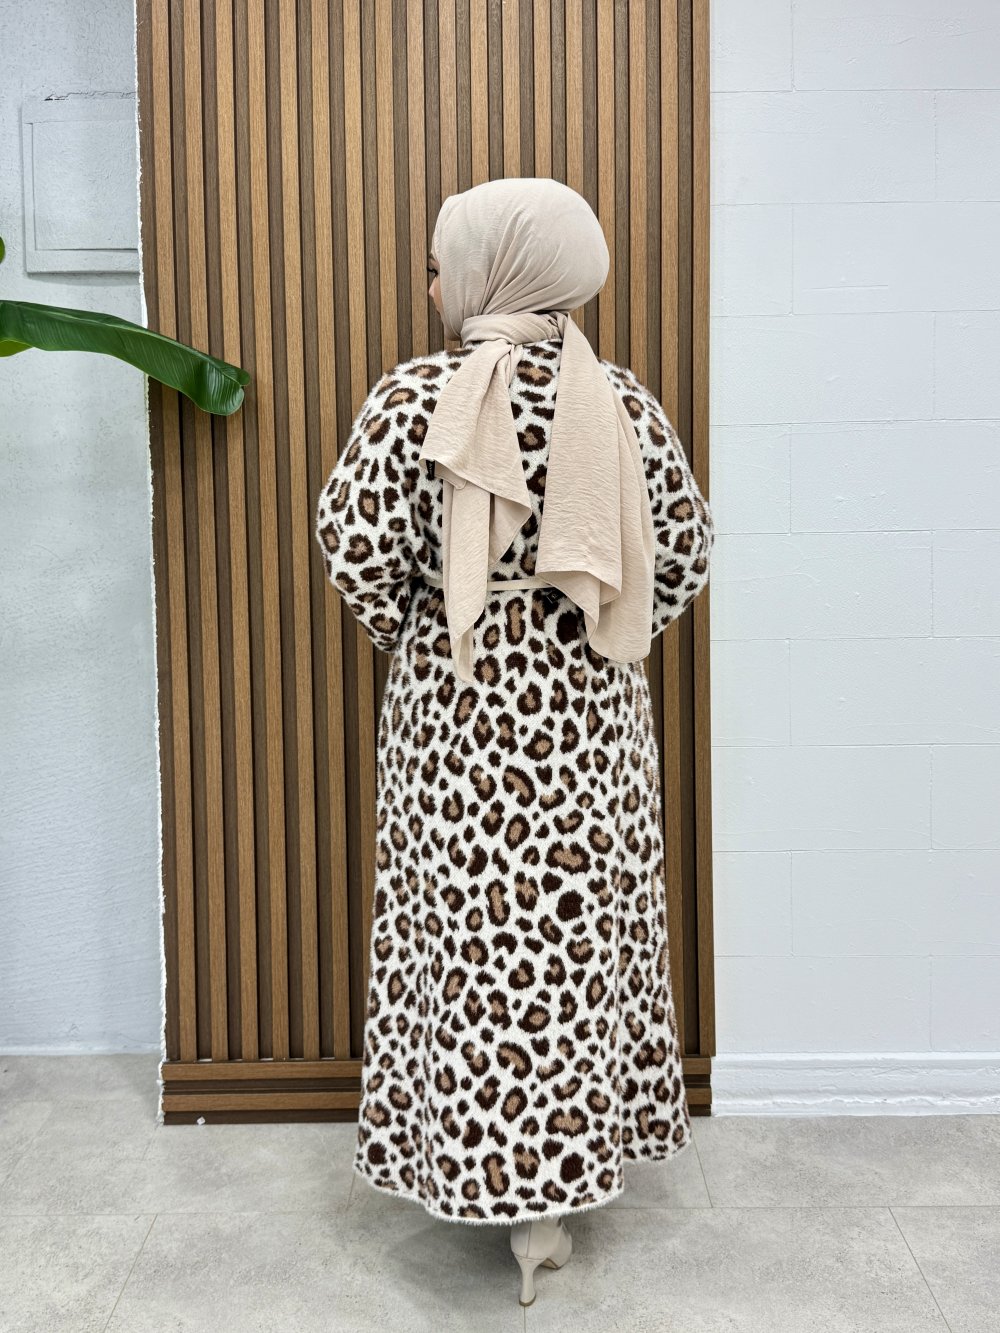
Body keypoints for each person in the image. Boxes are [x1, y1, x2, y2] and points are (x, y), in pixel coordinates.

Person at [314, 176, 714, 1307]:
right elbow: (682, 556)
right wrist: (591, 630)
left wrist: (431, 625)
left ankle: (478, 1165)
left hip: (453, 720)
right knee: (574, 952)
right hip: (591, 726)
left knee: (465, 949)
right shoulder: (621, 404)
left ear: (492, 268)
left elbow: (353, 551)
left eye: (440, 262)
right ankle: (554, 1199)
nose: (431, 284)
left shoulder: (413, 399)